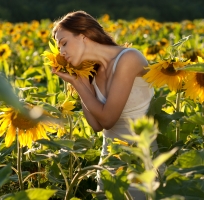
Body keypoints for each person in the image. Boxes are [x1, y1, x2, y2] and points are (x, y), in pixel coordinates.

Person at [51, 10, 157, 199]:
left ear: (83, 36)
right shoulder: (91, 75)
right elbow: (96, 125)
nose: (61, 52)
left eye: (64, 43)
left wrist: (76, 83)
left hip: (141, 164)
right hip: (108, 164)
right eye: (59, 48)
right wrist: (80, 80)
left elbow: (108, 119)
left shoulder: (129, 58)